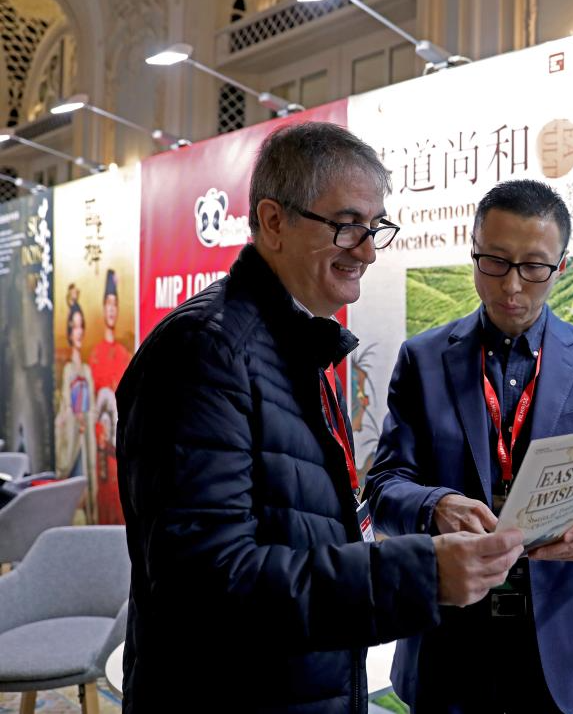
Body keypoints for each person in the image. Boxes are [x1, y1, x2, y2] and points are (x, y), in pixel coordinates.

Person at [115, 122, 523, 713]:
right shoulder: (204, 352)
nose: (367, 251)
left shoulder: (292, 343)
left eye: (374, 227)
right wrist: (418, 574)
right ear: (273, 221)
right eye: (346, 225)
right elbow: (205, 583)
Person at [364, 179, 573, 713]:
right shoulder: (423, 360)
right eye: (495, 262)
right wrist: (436, 505)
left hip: (561, 649)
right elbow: (382, 486)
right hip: (447, 647)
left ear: (560, 267)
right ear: (473, 252)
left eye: (534, 266)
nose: (513, 285)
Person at [89, 268, 131, 524]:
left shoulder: (125, 355)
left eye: (116, 304)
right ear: (103, 308)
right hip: (100, 445)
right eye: (108, 304)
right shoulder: (94, 355)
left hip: (118, 444)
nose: (112, 310)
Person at [55, 284, 96, 522]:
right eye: (74, 327)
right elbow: (64, 409)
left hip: (85, 437)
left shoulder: (87, 370)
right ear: (69, 331)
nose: (78, 332)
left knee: (86, 488)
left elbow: (90, 407)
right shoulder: (68, 369)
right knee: (73, 492)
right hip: (71, 438)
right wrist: (74, 418)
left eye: (81, 326)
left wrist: (85, 419)